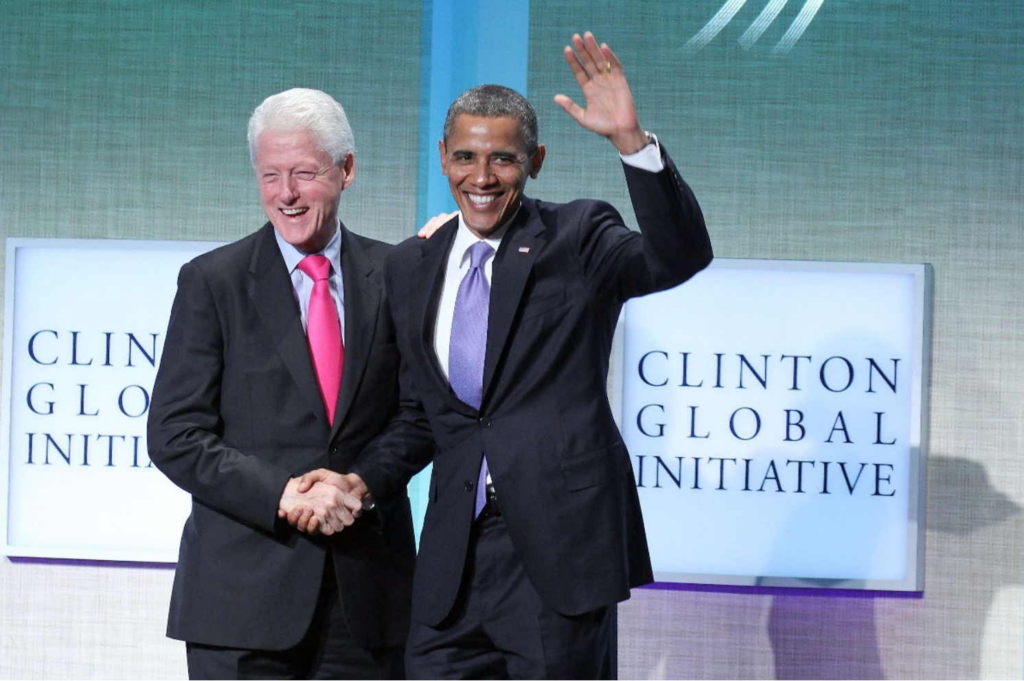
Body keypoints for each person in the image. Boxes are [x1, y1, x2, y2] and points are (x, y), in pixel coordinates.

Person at [298, 31, 712, 679]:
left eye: (503, 160)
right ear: (442, 157)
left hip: (559, 557)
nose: (482, 177)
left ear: (536, 160)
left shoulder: (578, 236)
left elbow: (678, 257)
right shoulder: (414, 266)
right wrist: (361, 479)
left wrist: (631, 144)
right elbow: (419, 417)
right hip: (451, 564)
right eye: (465, 156)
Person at [147, 88, 430, 679]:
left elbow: (421, 415)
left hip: (369, 600)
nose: (286, 195)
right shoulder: (212, 282)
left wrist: (359, 484)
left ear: (346, 170)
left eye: (304, 173)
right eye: (270, 175)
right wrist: (285, 495)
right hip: (241, 604)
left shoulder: (399, 275)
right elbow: (176, 434)